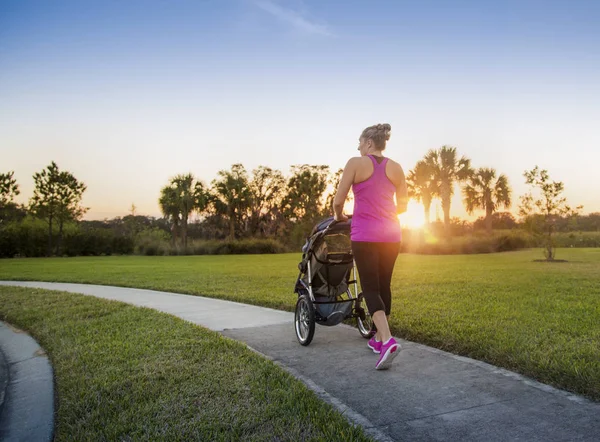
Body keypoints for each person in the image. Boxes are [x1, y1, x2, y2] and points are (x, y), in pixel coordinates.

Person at [333, 123, 408, 370]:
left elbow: (338, 201)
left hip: (365, 235)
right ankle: (377, 338)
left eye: (359, 142)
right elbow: (404, 206)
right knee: (384, 284)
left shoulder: (355, 162)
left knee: (370, 287)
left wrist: (338, 216)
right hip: (392, 235)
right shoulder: (396, 168)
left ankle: (387, 341)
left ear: (367, 143)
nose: (357, 146)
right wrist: (384, 214)